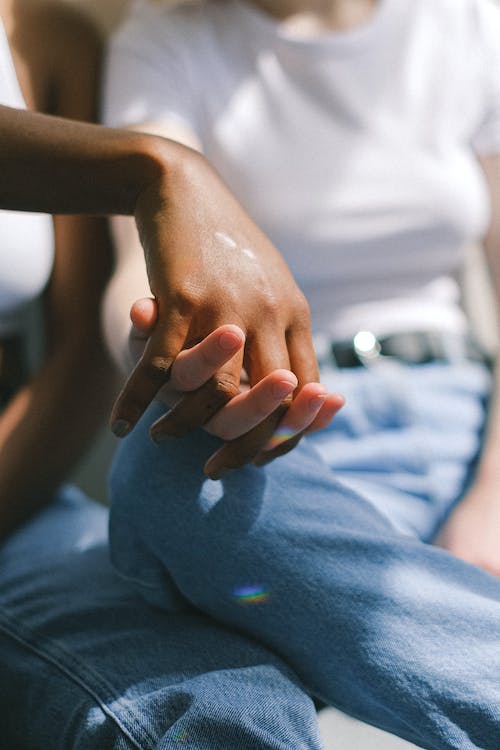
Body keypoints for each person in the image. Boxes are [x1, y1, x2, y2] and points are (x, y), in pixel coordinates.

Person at [103, 0, 500, 748]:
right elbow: (138, 262)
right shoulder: (166, 41)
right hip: (287, 440)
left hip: (472, 418)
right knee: (164, 481)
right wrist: (154, 356)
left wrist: (494, 497)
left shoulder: (470, 23)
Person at [0, 2, 334, 747]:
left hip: (12, 492)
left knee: (224, 709)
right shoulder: (161, 70)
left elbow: (79, 346)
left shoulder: (45, 39)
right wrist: (156, 165)